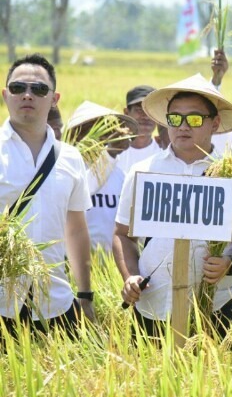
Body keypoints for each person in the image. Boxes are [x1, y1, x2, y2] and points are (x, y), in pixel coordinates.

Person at [113, 75, 232, 340]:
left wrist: (231, 262)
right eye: (174, 119)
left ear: (214, 123)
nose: (183, 126)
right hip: (153, 305)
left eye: (194, 119)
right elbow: (122, 234)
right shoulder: (144, 172)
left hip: (215, 305)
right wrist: (131, 277)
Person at [0, 54, 95, 339]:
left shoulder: (71, 158)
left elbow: (76, 230)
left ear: (54, 98)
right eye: (18, 88)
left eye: (39, 89)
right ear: (5, 95)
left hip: (56, 301)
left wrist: (86, 296)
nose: (27, 95)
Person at [63, 101, 138, 254]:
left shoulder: (120, 174)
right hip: (75, 262)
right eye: (94, 130)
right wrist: (109, 154)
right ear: (77, 136)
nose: (101, 138)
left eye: (107, 131)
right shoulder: (67, 169)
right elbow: (84, 188)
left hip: (112, 263)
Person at [116, 85, 160, 174]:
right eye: (139, 110)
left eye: (150, 111)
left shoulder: (164, 153)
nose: (145, 116)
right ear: (126, 113)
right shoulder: (113, 152)